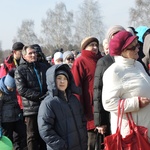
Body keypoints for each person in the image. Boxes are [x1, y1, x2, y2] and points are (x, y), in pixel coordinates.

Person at [102, 30, 150, 138]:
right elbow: (108, 103)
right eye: (133, 47)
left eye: (137, 45)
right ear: (122, 51)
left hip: (145, 130)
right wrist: (136, 103)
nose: (138, 49)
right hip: (131, 135)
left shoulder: (138, 65)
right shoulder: (114, 72)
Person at [38, 64, 87, 150]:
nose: (62, 82)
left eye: (65, 79)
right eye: (59, 78)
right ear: (52, 81)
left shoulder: (74, 99)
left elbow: (82, 120)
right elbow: (45, 130)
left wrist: (83, 137)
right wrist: (61, 146)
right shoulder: (48, 103)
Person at [93, 25, 125, 150]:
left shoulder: (133, 60)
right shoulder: (104, 62)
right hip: (110, 113)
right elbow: (97, 91)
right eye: (114, 36)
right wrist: (100, 122)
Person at [15, 45, 48, 150]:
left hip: (45, 106)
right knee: (32, 136)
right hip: (31, 109)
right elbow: (22, 90)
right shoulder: (20, 70)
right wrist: (40, 96)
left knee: (45, 132)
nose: (33, 55)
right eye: (30, 53)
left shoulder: (43, 67)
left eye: (34, 53)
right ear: (24, 56)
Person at [71, 36, 102, 150]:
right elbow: (76, 88)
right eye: (91, 45)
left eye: (96, 45)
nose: (94, 47)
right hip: (89, 112)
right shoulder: (80, 62)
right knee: (91, 144)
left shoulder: (101, 60)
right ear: (84, 47)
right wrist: (80, 112)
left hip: (103, 108)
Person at [0, 69, 27, 149]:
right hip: (6, 122)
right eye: (10, 88)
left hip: (16, 118)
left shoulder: (14, 91)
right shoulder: (1, 94)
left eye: (13, 88)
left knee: (22, 134)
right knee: (8, 139)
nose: (11, 90)